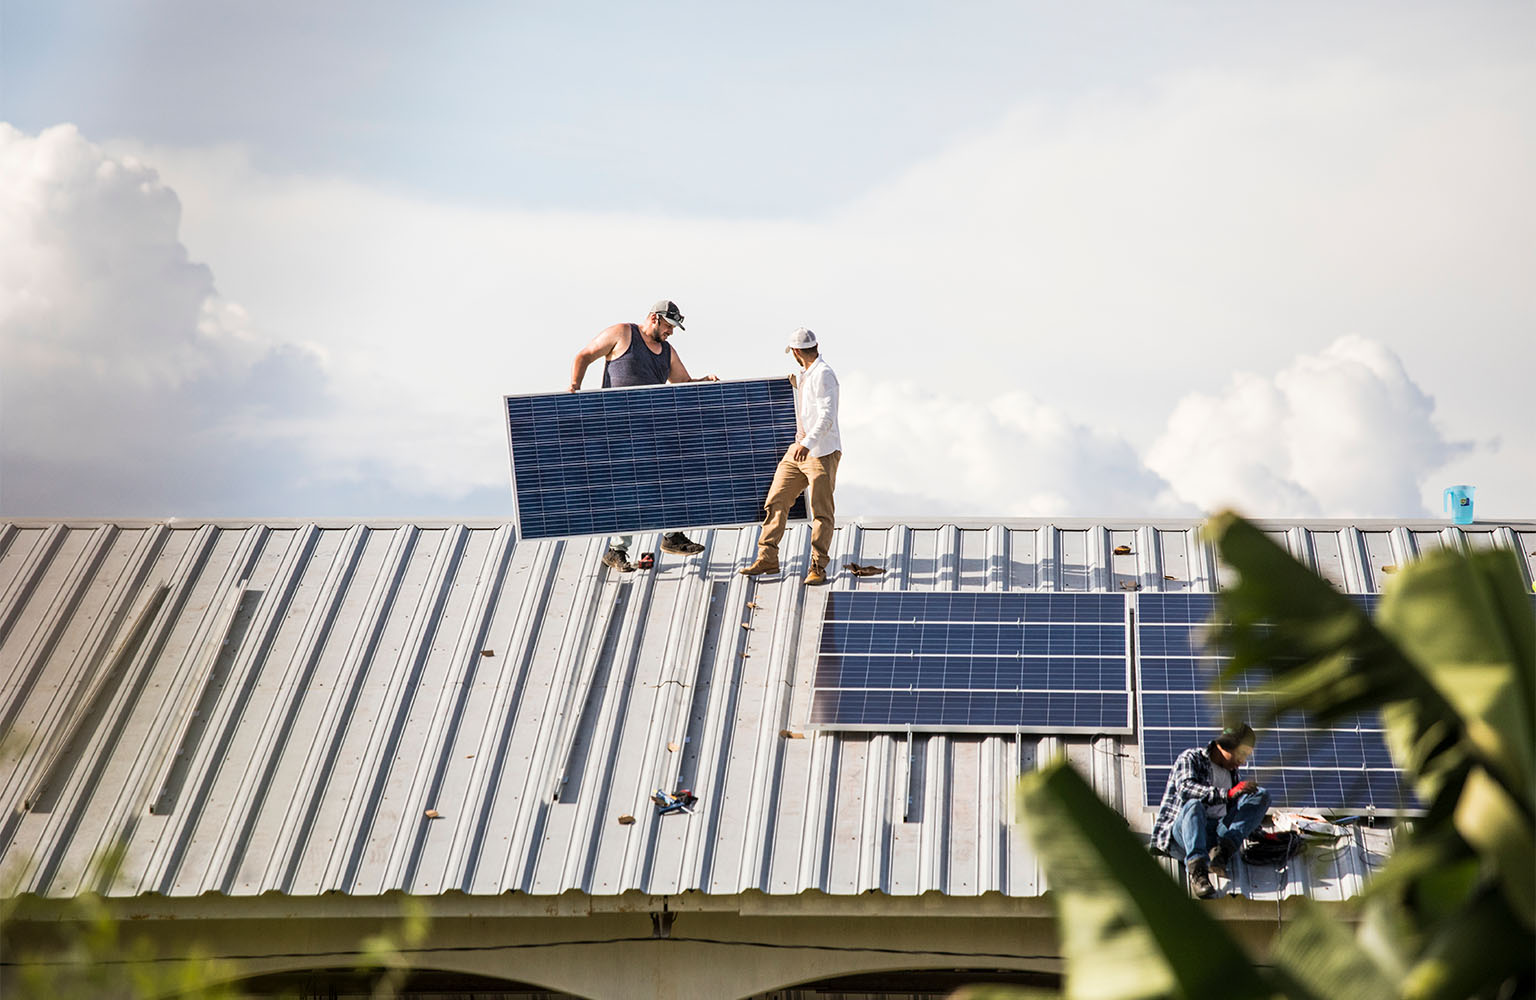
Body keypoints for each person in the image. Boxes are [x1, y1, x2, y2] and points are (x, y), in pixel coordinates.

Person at [568, 299, 718, 572]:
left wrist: (702, 383)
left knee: (669, 477)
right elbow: (584, 355)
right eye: (669, 326)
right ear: (654, 318)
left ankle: (671, 535)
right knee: (630, 488)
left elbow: (682, 383)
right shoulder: (623, 333)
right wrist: (574, 388)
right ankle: (617, 550)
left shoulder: (667, 352)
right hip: (617, 427)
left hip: (649, 428)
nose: (670, 332)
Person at [739, 327, 841, 586]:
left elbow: (827, 418)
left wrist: (806, 444)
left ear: (796, 352)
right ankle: (767, 558)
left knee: (822, 512)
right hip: (797, 450)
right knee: (776, 500)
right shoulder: (807, 374)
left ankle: (818, 566)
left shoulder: (824, 375)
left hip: (821, 453)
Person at [1149, 723, 1272, 899]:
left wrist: (1259, 833)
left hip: (1214, 836)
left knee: (1260, 794)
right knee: (1194, 805)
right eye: (1242, 754)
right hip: (1185, 835)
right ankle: (1198, 873)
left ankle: (1223, 852)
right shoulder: (1191, 758)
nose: (1243, 761)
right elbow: (1186, 789)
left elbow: (1235, 812)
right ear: (1225, 746)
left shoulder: (1232, 774)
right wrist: (1227, 794)